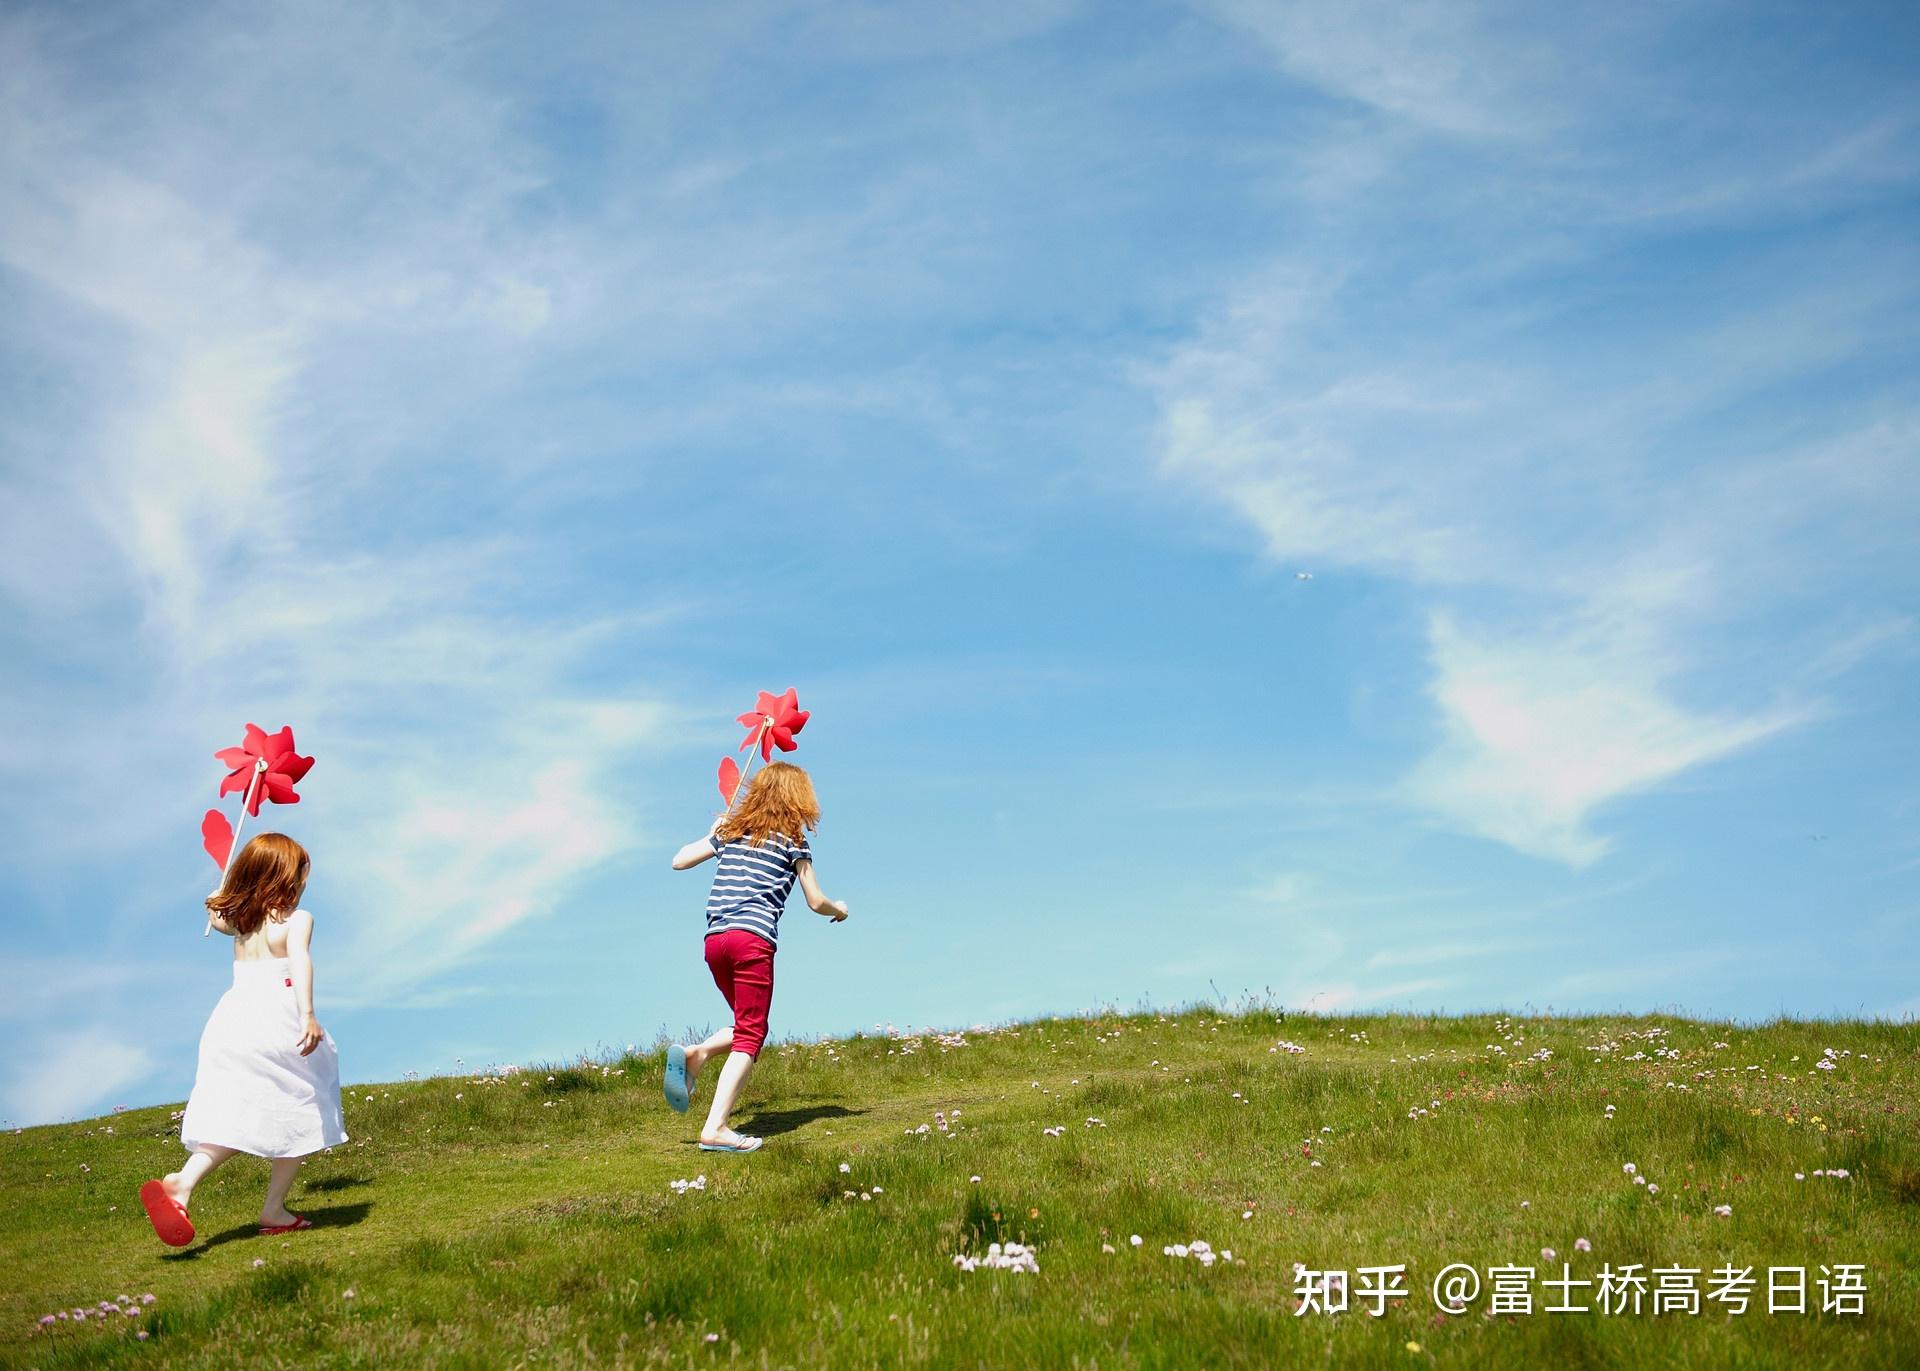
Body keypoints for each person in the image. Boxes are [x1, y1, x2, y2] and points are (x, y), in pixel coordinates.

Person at [139, 833, 347, 1246]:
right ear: (285, 875)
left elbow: (215, 911)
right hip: (277, 1018)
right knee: (305, 1102)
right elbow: (300, 961)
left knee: (239, 1112)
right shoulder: (296, 920)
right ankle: (273, 1207)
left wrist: (217, 892)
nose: (305, 880)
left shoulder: (238, 921)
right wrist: (307, 1014)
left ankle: (183, 1182)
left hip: (233, 1022)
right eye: (301, 871)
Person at [664, 761, 847, 1152]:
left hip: (715, 941)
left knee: (749, 1023)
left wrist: (712, 833)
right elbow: (815, 900)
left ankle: (697, 1055)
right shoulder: (793, 839)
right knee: (751, 1033)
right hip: (752, 940)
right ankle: (715, 1127)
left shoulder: (731, 831)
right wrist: (840, 909)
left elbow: (678, 861)